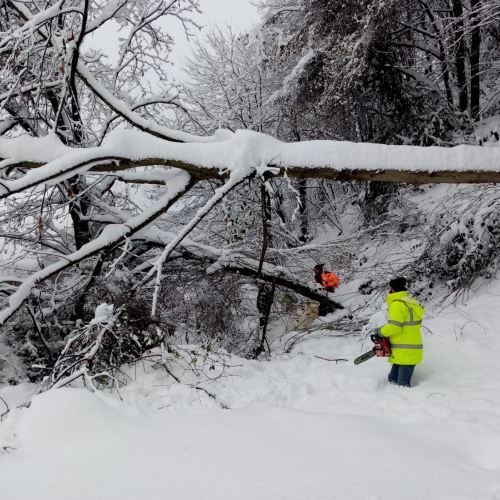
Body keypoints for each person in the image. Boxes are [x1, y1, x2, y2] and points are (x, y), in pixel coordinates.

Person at [375, 277, 424, 387]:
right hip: (409, 347)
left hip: (404, 348)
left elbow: (394, 327)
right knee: (392, 379)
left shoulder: (397, 304)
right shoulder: (412, 303)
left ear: (392, 289)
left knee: (402, 385)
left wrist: (380, 332)